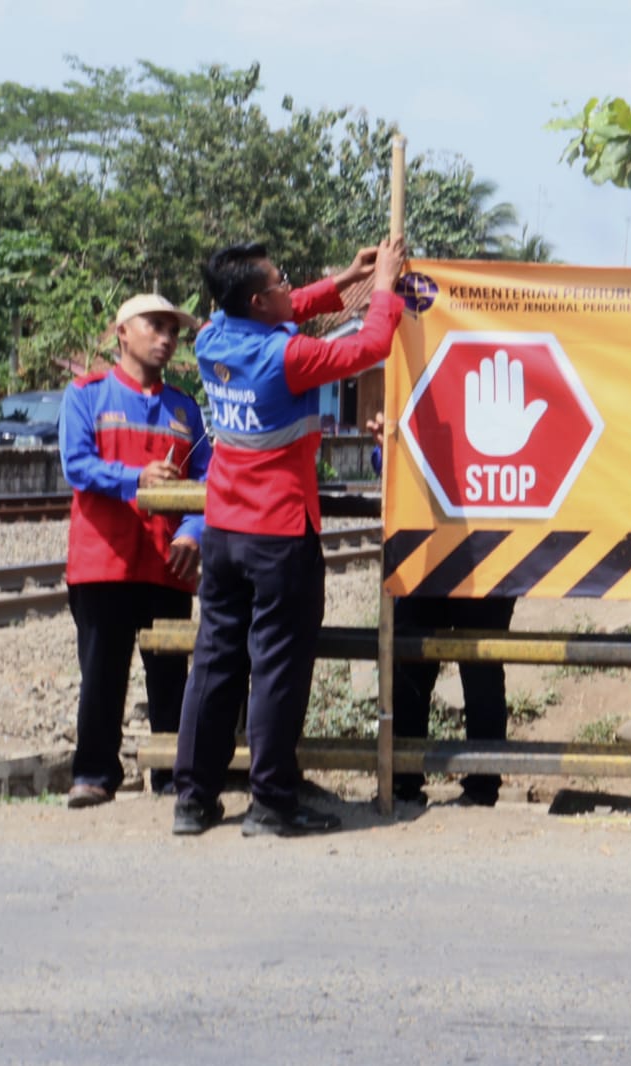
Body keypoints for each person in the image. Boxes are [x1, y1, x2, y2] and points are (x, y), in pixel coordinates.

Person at [172, 237, 405, 837]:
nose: (288, 288)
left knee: (214, 662)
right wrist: (381, 286)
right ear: (256, 298)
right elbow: (371, 343)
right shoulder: (288, 358)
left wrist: (339, 281)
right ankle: (271, 802)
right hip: (279, 533)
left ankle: (192, 800)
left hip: (223, 530)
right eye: (279, 282)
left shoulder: (212, 339)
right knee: (276, 667)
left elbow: (282, 306)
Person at [59, 294, 209, 808]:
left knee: (171, 676)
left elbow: (211, 480)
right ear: (122, 332)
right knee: (102, 673)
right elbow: (77, 466)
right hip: (102, 562)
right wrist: (138, 479)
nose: (166, 337)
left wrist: (193, 530)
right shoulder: (85, 395)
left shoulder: (186, 408)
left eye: (173, 329)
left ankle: (171, 775)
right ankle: (95, 775)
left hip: (169, 563)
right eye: (155, 326)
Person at [367, 411, 511, 807]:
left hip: (487, 556)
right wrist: (385, 447)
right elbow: (389, 469)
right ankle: (401, 783)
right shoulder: (420, 375)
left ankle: (482, 789)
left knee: (481, 672)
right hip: (422, 556)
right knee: (409, 669)